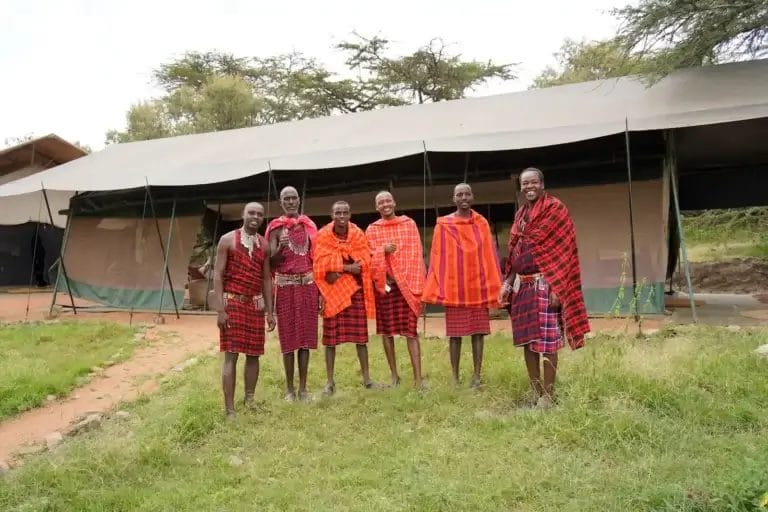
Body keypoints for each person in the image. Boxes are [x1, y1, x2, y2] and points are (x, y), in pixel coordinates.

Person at [500, 167, 590, 408]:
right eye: (525, 183)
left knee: (548, 343)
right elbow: (514, 252)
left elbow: (564, 252)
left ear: (542, 184)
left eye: (533, 182)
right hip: (523, 287)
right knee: (528, 343)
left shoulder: (555, 209)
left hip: (545, 284)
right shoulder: (520, 215)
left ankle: (548, 397)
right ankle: (535, 391)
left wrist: (557, 287)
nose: (529, 187)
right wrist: (508, 283)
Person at [422, 183, 502, 388]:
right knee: (455, 335)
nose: (464, 197)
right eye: (459, 194)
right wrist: (437, 285)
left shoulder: (481, 223)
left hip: (477, 287)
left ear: (472, 197)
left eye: (467, 194)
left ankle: (477, 375)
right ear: (454, 199)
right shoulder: (444, 225)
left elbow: (489, 256)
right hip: (454, 289)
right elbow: (438, 256)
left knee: (478, 333)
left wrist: (494, 285)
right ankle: (455, 376)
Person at [213, 202, 275, 417]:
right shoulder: (227, 240)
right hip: (233, 303)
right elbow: (218, 275)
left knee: (254, 354)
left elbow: (266, 278)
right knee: (231, 356)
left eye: (259, 214)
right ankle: (230, 410)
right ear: (243, 215)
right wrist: (221, 309)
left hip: (255, 305)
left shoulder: (264, 245)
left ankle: (249, 400)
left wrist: (270, 311)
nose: (255, 217)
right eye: (251, 213)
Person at [313, 201, 378, 395]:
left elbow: (364, 259)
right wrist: (347, 267)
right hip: (332, 293)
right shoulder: (323, 235)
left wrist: (337, 268)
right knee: (330, 340)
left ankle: (367, 379)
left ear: (350, 215)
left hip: (354, 291)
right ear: (331, 215)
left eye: (345, 213)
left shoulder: (358, 234)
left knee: (361, 338)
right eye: (337, 213)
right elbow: (320, 265)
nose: (341, 216)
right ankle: (330, 382)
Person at [365, 191, 426, 389]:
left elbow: (416, 254)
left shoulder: (408, 224)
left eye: (388, 201)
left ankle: (418, 380)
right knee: (387, 332)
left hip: (407, 285)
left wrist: (420, 284)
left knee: (411, 332)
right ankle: (394, 377)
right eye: (381, 202)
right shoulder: (372, 229)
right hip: (386, 287)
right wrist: (383, 249)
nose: (385, 205)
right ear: (376, 207)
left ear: (394, 202)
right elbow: (368, 256)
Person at [265, 186, 319, 402]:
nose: (290, 202)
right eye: (286, 199)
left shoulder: (309, 226)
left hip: (307, 286)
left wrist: (321, 293)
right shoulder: (275, 228)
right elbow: (269, 263)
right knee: (288, 340)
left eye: (293, 198)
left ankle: (303, 389)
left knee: (305, 339)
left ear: (299, 200)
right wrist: (280, 248)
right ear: (281, 203)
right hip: (285, 288)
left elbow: (317, 259)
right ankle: (289, 389)